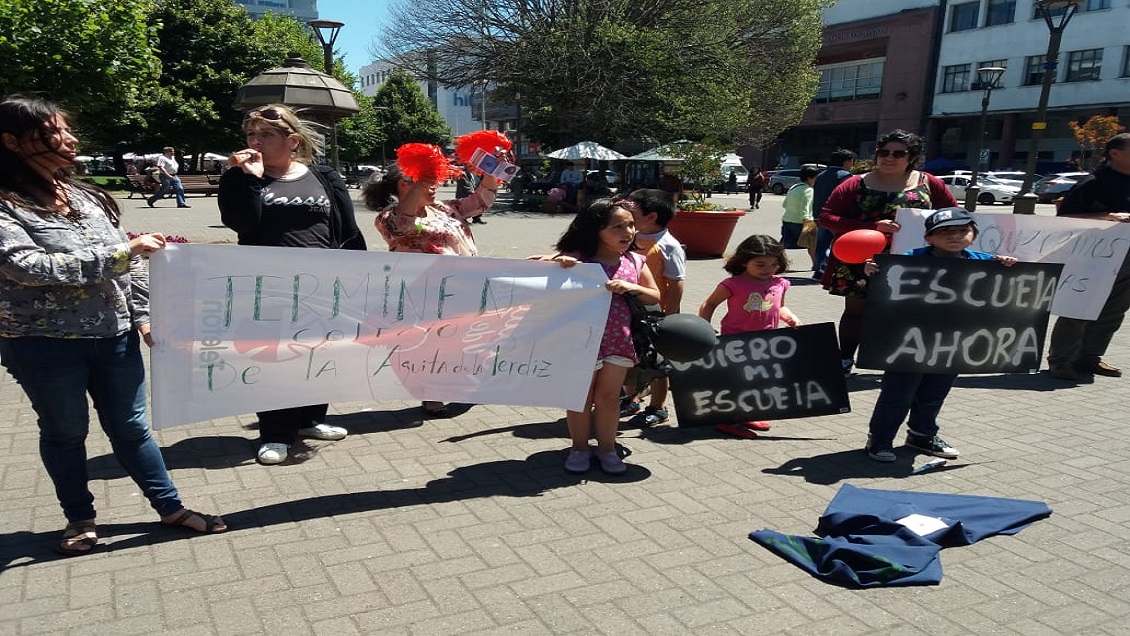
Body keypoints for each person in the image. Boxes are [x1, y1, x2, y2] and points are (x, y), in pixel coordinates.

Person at [0, 95, 227, 555]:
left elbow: (132, 266)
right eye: (54, 131)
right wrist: (124, 253)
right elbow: (25, 265)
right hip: (43, 344)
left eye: (66, 129)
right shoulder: (6, 204)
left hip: (115, 337)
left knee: (132, 428)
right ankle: (79, 518)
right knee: (65, 432)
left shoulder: (86, 196)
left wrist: (142, 316)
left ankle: (169, 508)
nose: (70, 138)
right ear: (11, 141)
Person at [219, 104, 367, 465]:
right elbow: (243, 225)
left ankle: (310, 419)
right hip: (269, 287)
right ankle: (274, 432)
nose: (255, 142)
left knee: (321, 350)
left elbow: (347, 229)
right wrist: (251, 179)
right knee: (276, 357)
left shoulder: (325, 176)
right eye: (251, 135)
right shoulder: (239, 178)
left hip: (324, 285)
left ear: (293, 141)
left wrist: (364, 273)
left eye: (265, 135)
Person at [861, 208, 1017, 461]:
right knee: (897, 394)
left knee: (934, 393)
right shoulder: (909, 259)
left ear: (974, 234)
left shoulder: (985, 262)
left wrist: (1008, 266)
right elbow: (885, 289)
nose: (954, 236)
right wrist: (873, 272)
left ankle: (921, 434)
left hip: (953, 344)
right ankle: (880, 439)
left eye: (962, 231)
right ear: (928, 238)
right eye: (944, 232)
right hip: (909, 344)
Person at [363, 150, 499, 417]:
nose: (434, 185)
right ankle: (432, 395)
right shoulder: (388, 217)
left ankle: (468, 384)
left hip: (463, 288)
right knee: (429, 345)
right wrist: (419, 185)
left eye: (433, 180)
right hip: (422, 294)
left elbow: (482, 201)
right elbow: (402, 225)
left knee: (467, 340)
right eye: (427, 181)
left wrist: (493, 171)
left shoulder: (445, 209)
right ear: (405, 184)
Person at [818, 130, 957, 375]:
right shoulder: (855, 182)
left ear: (911, 157)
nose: (888, 158)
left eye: (898, 153)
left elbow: (953, 217)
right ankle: (845, 359)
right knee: (856, 311)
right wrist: (872, 227)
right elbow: (827, 217)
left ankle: (893, 359)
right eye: (883, 152)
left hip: (911, 260)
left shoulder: (929, 182)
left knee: (903, 311)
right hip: (860, 259)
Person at [540, 198, 660, 474]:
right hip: (580, 342)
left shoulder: (635, 260)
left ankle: (607, 448)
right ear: (596, 229)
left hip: (619, 340)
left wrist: (630, 286)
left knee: (608, 398)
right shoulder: (579, 259)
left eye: (630, 225)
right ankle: (579, 448)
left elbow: (655, 296)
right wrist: (558, 262)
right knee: (579, 397)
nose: (628, 232)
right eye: (617, 227)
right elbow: (548, 269)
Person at [1047, 133, 1130, 381]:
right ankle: (1061, 361)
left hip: (1127, 259)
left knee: (1114, 311)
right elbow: (1064, 219)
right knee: (1080, 308)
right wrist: (1108, 217)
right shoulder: (1093, 182)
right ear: (1115, 154)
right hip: (1094, 258)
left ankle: (1090, 358)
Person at [698, 235, 800, 438]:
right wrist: (704, 328)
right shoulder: (733, 284)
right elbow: (708, 304)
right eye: (760, 264)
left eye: (773, 264)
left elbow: (780, 307)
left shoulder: (780, 283)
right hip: (736, 341)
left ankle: (746, 415)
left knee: (756, 380)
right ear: (744, 261)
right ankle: (727, 420)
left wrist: (791, 318)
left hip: (766, 342)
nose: (768, 269)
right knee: (736, 382)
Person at [619, 189, 687, 428]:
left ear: (651, 216)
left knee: (658, 364)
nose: (626, 214)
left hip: (656, 314)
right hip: (628, 310)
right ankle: (631, 398)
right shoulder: (629, 235)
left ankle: (658, 407)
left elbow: (677, 282)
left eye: (632, 210)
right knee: (630, 356)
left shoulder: (669, 245)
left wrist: (671, 316)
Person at [812, 149, 858, 279]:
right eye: (852, 161)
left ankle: (818, 269)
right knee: (835, 243)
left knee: (822, 243)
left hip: (820, 215)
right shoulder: (845, 176)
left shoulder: (821, 175)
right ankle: (827, 269)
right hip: (837, 217)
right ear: (847, 161)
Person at [780, 164, 821, 269]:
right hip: (803, 221)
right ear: (809, 178)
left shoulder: (794, 187)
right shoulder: (808, 190)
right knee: (812, 245)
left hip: (787, 219)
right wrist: (807, 224)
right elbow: (805, 209)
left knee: (783, 245)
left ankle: (776, 263)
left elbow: (784, 204)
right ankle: (816, 265)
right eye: (816, 178)